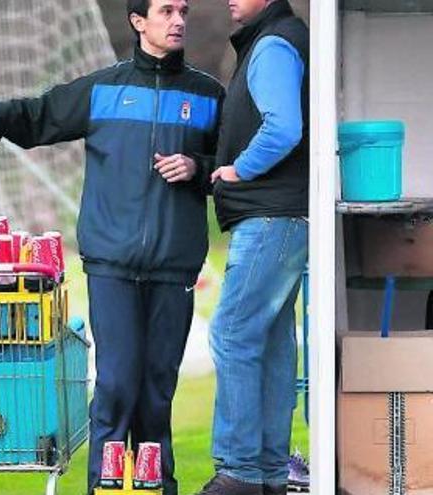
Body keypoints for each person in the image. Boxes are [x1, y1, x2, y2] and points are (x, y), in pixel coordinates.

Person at [0, 1, 223, 493]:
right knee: (117, 388)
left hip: (175, 267)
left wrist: (196, 165)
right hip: (112, 266)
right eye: (166, 10)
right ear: (137, 21)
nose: (178, 21)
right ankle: (101, 488)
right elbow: (36, 115)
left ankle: (159, 487)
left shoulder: (209, 95)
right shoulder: (103, 90)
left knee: (155, 395)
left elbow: (232, 164)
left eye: (183, 11)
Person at [198, 1, 309, 494]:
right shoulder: (279, 36)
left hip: (271, 217)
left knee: (232, 332)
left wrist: (240, 168)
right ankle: (267, 475)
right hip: (285, 217)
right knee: (270, 344)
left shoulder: (273, 44)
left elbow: (283, 126)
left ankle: (240, 471)